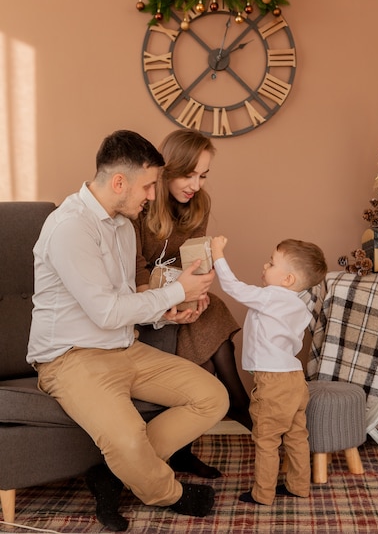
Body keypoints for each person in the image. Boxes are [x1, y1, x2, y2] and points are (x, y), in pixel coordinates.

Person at [26, 130, 229, 531]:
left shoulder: (121, 223)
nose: (154, 195)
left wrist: (168, 312)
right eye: (149, 185)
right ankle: (167, 492)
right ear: (119, 182)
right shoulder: (70, 227)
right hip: (72, 359)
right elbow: (105, 312)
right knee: (128, 438)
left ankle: (112, 475)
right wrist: (175, 289)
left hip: (124, 347)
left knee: (212, 396)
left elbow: (124, 300)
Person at [132, 129, 252, 478]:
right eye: (189, 174)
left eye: (203, 175)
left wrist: (196, 293)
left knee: (210, 308)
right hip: (149, 300)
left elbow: (193, 259)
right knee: (207, 330)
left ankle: (190, 445)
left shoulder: (199, 203)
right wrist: (162, 300)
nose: (196, 185)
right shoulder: (142, 205)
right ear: (168, 169)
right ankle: (240, 405)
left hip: (180, 293)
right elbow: (137, 267)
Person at [211, 235, 328, 506]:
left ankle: (262, 493)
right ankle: (299, 486)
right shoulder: (300, 305)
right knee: (297, 436)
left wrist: (218, 254)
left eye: (271, 262)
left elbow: (232, 286)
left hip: (273, 382)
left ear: (287, 279)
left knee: (266, 439)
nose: (265, 266)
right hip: (295, 380)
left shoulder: (271, 297)